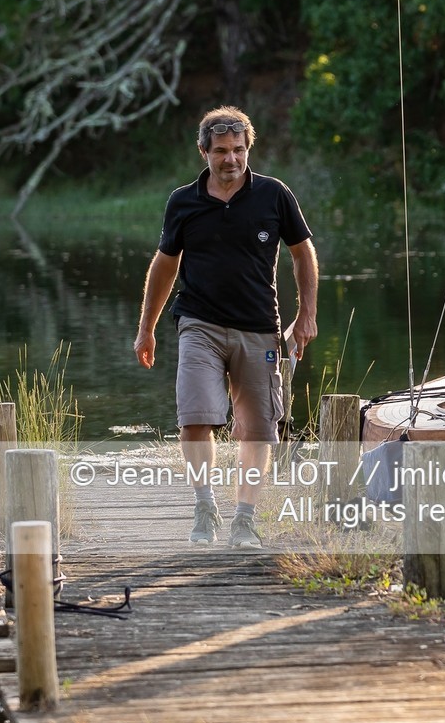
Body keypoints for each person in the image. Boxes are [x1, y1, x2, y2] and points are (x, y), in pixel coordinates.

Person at [134, 106, 318, 548]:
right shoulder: (183, 202)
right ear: (204, 151)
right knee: (196, 418)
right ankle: (204, 505)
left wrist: (307, 314)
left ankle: (244, 519)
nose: (230, 159)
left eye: (238, 150)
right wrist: (147, 328)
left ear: (248, 149)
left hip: (259, 329)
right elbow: (165, 265)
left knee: (258, 429)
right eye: (220, 150)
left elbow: (302, 252)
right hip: (200, 324)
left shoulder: (274, 195)